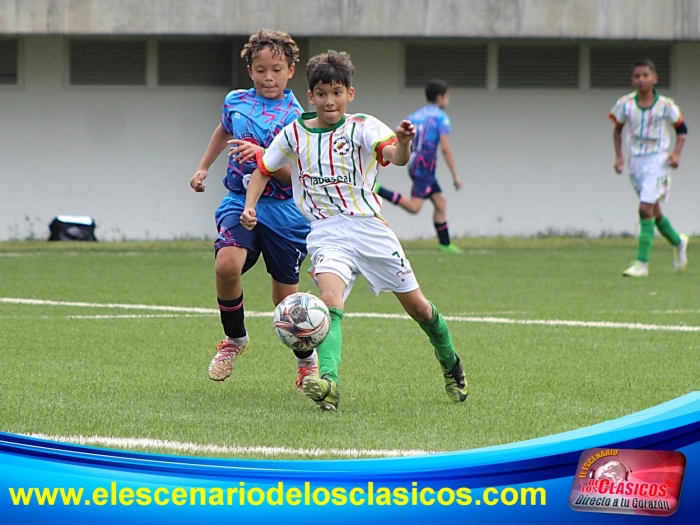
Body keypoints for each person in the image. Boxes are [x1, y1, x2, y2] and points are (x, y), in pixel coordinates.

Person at [241, 50, 468, 411]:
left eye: (337, 92)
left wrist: (405, 142)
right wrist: (250, 205)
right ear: (311, 96)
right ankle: (328, 383)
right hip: (326, 231)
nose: (330, 100)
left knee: (420, 309)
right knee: (330, 301)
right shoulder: (294, 133)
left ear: (350, 93)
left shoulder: (362, 126)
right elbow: (264, 169)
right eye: (322, 93)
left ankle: (450, 361)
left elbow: (395, 156)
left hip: (369, 229)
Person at [190, 29, 317, 391]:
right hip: (237, 199)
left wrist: (263, 157)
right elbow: (222, 130)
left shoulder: (299, 118)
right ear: (250, 70)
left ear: (291, 70)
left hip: (283, 211)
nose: (268, 77)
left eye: (276, 69)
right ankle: (235, 340)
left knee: (285, 299)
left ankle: (307, 362)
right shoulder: (236, 102)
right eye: (261, 69)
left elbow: (295, 173)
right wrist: (204, 167)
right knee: (226, 264)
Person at [609, 59, 689, 277]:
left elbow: (682, 129)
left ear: (654, 78)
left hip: (657, 161)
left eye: (645, 75)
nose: (641, 79)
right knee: (654, 211)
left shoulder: (666, 106)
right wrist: (619, 157)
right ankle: (678, 242)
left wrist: (675, 154)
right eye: (637, 76)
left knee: (644, 208)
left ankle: (641, 265)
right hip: (636, 162)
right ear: (632, 80)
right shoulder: (625, 104)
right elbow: (617, 129)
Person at [374, 79, 463, 254]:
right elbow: (445, 148)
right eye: (447, 96)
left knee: (440, 203)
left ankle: (445, 244)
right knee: (415, 207)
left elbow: (392, 137)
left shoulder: (415, 116)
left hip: (416, 164)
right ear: (440, 97)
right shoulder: (440, 118)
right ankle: (378, 189)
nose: (448, 100)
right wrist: (455, 176)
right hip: (424, 167)